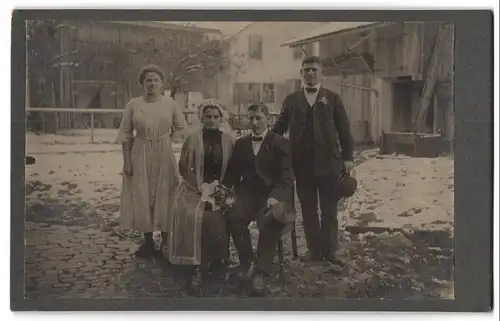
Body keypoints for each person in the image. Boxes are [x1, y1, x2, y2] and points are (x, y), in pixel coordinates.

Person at [272, 56, 355, 265]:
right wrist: (271, 150)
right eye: (306, 70)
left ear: (321, 73)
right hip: (302, 165)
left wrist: (348, 158)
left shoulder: (333, 99)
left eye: (314, 70)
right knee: (308, 208)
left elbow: (345, 131)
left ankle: (331, 251)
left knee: (329, 209)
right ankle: (313, 250)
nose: (310, 73)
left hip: (330, 164)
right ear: (301, 73)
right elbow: (278, 130)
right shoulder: (291, 100)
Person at [222, 102, 294, 294]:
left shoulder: (280, 143)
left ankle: (261, 271)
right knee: (233, 218)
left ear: (268, 119)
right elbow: (232, 174)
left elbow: (287, 176)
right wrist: (224, 191)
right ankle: (247, 262)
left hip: (272, 195)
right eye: (251, 118)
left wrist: (275, 197)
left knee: (269, 221)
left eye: (258, 118)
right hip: (248, 195)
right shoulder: (241, 144)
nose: (254, 122)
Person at [116, 64, 186, 259]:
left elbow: (181, 127)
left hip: (163, 152)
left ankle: (166, 241)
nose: (152, 83)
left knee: (166, 193)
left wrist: (171, 138)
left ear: (162, 83)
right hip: (140, 151)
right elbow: (126, 135)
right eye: (148, 80)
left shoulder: (170, 104)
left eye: (156, 80)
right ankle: (148, 242)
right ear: (142, 83)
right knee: (142, 194)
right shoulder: (133, 105)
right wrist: (127, 162)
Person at [168, 99, 235, 293]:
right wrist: (198, 186)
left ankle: (216, 261)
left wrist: (222, 189)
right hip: (194, 188)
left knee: (214, 216)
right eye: (207, 117)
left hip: (221, 189)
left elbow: (232, 168)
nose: (211, 120)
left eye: (215, 117)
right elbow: (183, 167)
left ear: (221, 118)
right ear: (202, 118)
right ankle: (195, 265)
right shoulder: (193, 138)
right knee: (191, 214)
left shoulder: (228, 139)